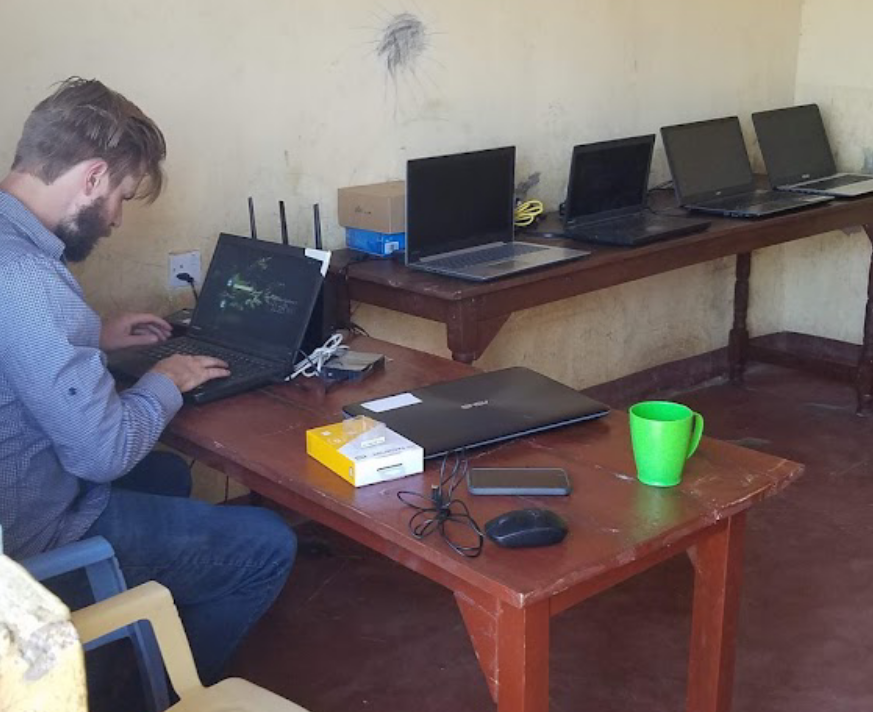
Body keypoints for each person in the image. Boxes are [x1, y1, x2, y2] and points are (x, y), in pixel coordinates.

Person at [0, 77, 296, 686]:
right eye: (121, 197)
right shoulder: (28, 279)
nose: (113, 220)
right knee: (267, 545)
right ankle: (154, 695)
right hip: (36, 542)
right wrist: (165, 379)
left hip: (20, 503)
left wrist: (94, 336)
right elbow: (102, 453)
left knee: (168, 474)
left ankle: (139, 629)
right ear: (91, 177)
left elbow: (20, 346)